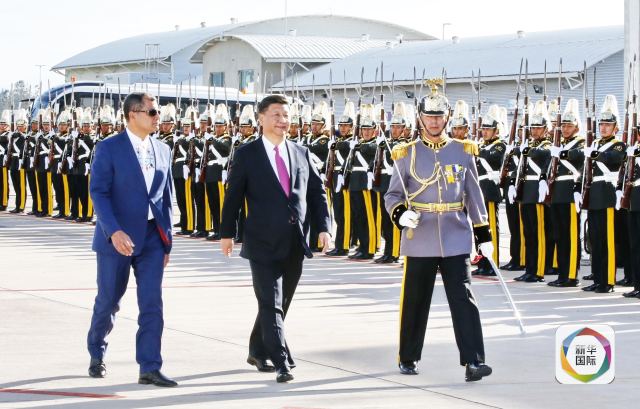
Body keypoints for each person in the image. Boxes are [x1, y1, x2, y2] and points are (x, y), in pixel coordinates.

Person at [385, 82, 493, 382]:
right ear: (420, 118)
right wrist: (400, 214)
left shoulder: (463, 151)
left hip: (455, 235)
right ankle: (408, 356)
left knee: (463, 298)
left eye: (439, 116)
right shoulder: (405, 153)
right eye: (429, 116)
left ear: (447, 118)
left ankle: (474, 361)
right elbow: (392, 195)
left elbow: (474, 195)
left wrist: (483, 235)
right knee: (415, 299)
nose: (434, 122)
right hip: (420, 235)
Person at [220, 94, 331, 383]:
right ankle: (281, 360)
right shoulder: (247, 154)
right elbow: (233, 197)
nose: (283, 121)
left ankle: (258, 349)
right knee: (271, 302)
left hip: (295, 241)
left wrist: (324, 227)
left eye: (286, 115)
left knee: (281, 303)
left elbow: (316, 193)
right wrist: (227, 233)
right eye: (276, 115)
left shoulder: (301, 152)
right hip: (261, 241)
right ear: (261, 118)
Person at [87, 92, 176, 387]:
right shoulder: (109, 148)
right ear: (132, 114)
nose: (157, 117)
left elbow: (166, 197)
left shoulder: (163, 149)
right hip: (117, 238)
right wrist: (113, 231)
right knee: (109, 301)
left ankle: (149, 366)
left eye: (156, 112)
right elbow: (98, 192)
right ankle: (97, 351)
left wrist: (167, 241)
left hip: (152, 238)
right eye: (152, 112)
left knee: (152, 303)